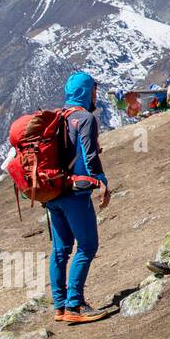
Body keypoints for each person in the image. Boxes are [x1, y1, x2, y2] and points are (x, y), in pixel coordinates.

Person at [47, 71, 112, 324]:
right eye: (94, 91)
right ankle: (75, 306)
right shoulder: (84, 118)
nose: (96, 95)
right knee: (87, 246)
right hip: (75, 194)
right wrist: (102, 183)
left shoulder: (57, 117)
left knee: (60, 249)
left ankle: (59, 306)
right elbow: (89, 156)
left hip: (53, 192)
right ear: (86, 91)